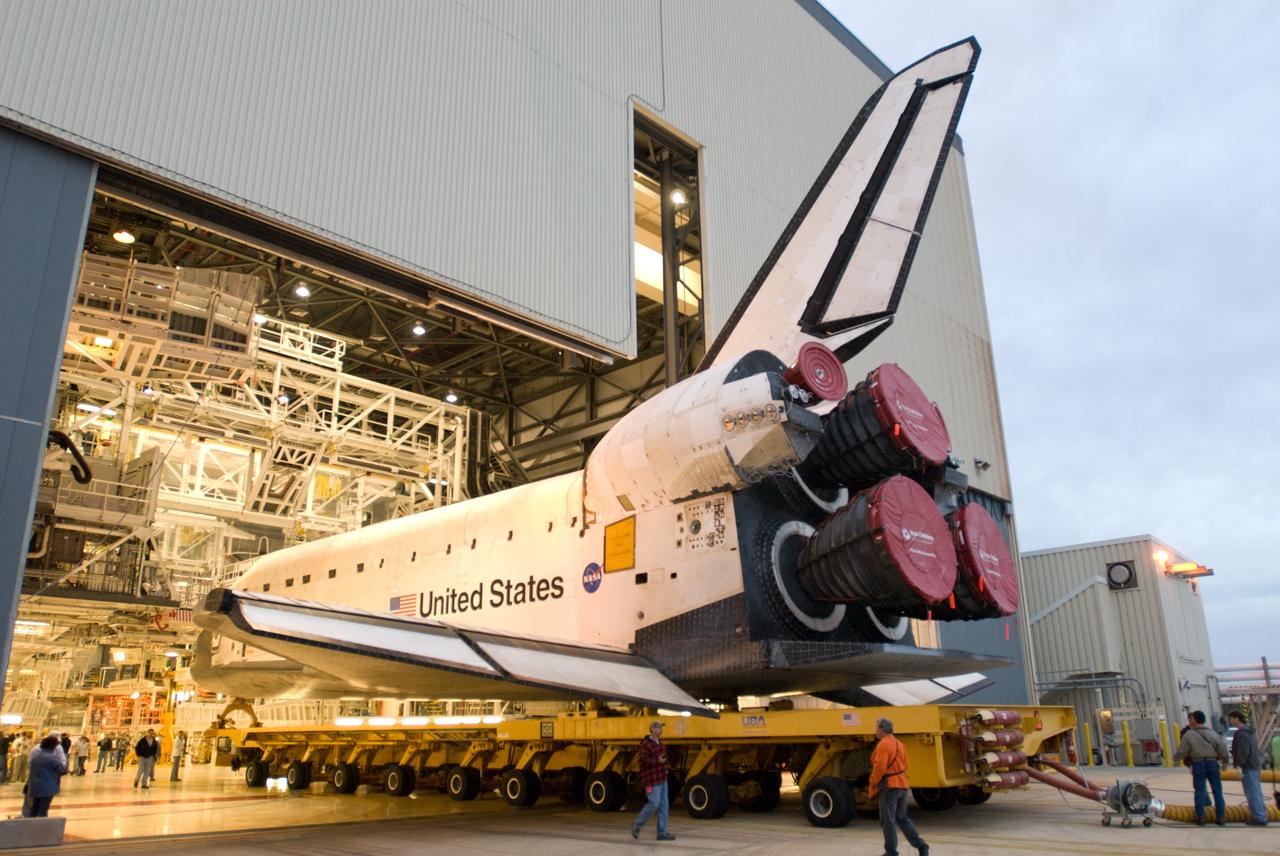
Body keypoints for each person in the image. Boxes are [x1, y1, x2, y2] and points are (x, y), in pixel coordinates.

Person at [870, 717, 929, 856]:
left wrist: (873, 782)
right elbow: (906, 764)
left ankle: (891, 852)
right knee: (902, 817)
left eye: (876, 728)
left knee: (888, 820)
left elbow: (880, 767)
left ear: (882, 729)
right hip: (902, 783)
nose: (875, 731)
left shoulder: (883, 745)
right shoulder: (899, 743)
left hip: (889, 786)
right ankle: (921, 845)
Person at [1174, 709, 1229, 826]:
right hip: (1213, 763)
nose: (1190, 721)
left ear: (1195, 720)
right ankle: (1221, 818)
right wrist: (1225, 762)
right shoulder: (1213, 733)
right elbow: (1223, 750)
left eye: (1191, 718)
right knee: (1218, 791)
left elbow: (1182, 751)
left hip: (1198, 764)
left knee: (1199, 791)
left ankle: (1201, 817)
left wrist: (1175, 758)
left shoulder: (1189, 735)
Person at [630, 721, 675, 841]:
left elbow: (662, 759)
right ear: (652, 729)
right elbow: (642, 761)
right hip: (652, 779)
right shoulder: (646, 744)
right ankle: (637, 825)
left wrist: (665, 766)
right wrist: (657, 762)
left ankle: (662, 832)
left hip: (662, 777)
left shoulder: (660, 743)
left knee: (664, 806)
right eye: (659, 727)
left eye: (661, 727)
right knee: (654, 803)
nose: (661, 730)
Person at [1227, 711, 1268, 826]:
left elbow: (1243, 751)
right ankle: (1262, 815)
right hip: (1254, 765)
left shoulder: (1241, 733)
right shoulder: (1249, 732)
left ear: (1236, 718)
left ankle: (1259, 817)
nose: (1230, 722)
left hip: (1248, 767)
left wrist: (1239, 765)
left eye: (1230, 719)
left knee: (1252, 792)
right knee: (1257, 792)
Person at [25, 734, 67, 817]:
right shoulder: (51, 758)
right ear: (52, 747)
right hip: (47, 788)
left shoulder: (35, 757)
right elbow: (62, 769)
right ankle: (41, 827)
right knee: (43, 809)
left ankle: (31, 825)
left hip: (35, 787)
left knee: (35, 807)